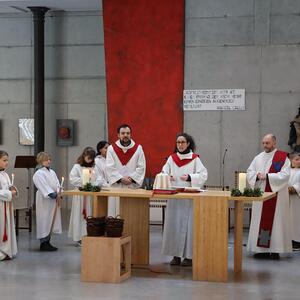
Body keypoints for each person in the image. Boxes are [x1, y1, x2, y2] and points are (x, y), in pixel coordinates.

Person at [161, 133, 207, 266]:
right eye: (178, 142)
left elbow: (203, 174)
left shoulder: (194, 159)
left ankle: (189, 257)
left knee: (189, 227)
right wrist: (167, 176)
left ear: (188, 144)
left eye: (182, 142)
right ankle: (175, 256)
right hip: (174, 197)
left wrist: (190, 177)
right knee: (173, 225)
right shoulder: (171, 158)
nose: (180, 145)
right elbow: (164, 171)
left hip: (189, 198)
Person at [247, 134, 291, 259]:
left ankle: (275, 250)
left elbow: (285, 175)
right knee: (260, 220)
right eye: (263, 143)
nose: (265, 145)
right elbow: (250, 172)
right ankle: (261, 250)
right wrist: (256, 176)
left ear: (274, 143)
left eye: (267, 143)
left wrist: (267, 176)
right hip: (262, 195)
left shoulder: (282, 157)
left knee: (276, 223)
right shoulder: (258, 158)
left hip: (277, 196)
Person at [106, 124, 146, 213]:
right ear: (118, 135)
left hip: (131, 186)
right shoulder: (111, 149)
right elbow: (109, 167)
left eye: (128, 133)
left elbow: (141, 167)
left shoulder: (138, 149)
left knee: (131, 212)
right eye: (123, 133)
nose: (125, 135)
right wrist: (120, 179)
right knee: (115, 214)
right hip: (116, 187)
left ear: (130, 134)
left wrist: (131, 178)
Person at [68, 147, 104, 244]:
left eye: (91, 158)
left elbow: (100, 179)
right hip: (80, 195)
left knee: (91, 215)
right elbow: (72, 178)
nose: (89, 160)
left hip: (91, 196)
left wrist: (95, 184)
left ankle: (91, 234)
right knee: (80, 216)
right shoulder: (77, 167)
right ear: (83, 156)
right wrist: (84, 182)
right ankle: (79, 237)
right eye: (88, 158)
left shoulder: (95, 167)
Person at [33, 152, 62, 251]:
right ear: (41, 161)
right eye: (46, 159)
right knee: (44, 220)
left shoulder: (52, 172)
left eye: (49, 159)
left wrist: (59, 191)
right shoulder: (39, 173)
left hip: (52, 200)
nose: (49, 161)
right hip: (44, 200)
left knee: (51, 220)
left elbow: (57, 184)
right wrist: (52, 194)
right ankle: (43, 242)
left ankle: (48, 241)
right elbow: (42, 186)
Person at [0, 150, 18, 260]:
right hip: (1, 206)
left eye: (7, 160)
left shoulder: (5, 174)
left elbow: (8, 188)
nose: (7, 162)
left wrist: (13, 189)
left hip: (6, 206)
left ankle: (7, 251)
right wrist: (8, 193)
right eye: (4, 160)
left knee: (6, 227)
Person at [95, 140, 118, 216]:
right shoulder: (97, 161)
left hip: (114, 187)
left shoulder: (112, 160)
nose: (108, 150)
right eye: (106, 148)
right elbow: (98, 177)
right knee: (105, 211)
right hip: (104, 188)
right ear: (100, 149)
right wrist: (108, 185)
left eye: (109, 148)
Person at [288, 152, 300, 250]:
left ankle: (297, 241)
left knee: (296, 220)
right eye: (296, 159)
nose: (299, 161)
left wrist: (294, 188)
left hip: (297, 199)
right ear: (291, 160)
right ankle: (288, 240)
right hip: (286, 200)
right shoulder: (287, 171)